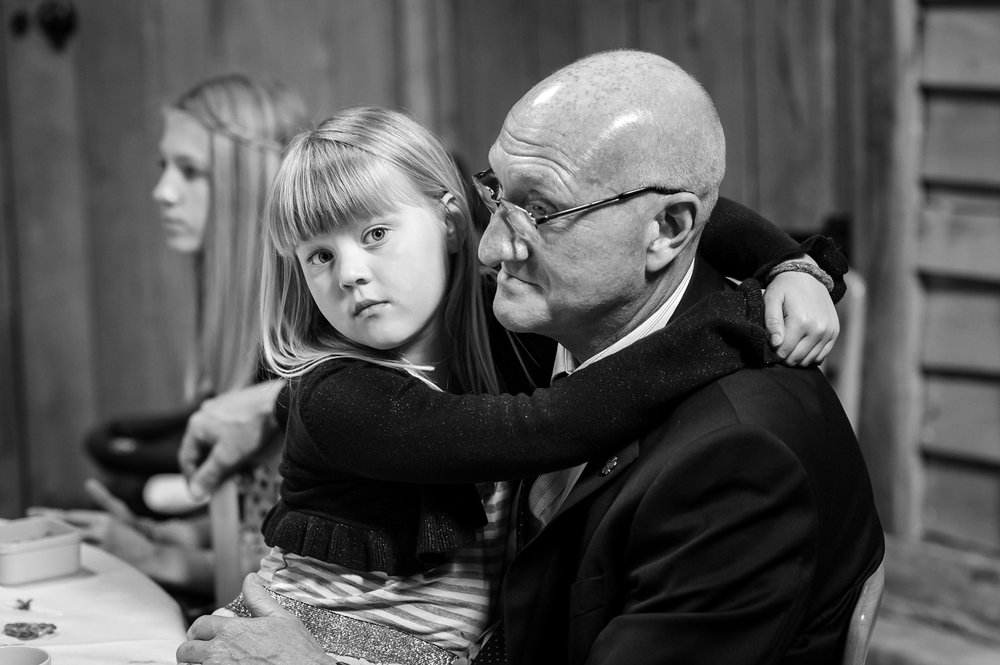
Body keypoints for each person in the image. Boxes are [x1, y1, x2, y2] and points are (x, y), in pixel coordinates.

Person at [176, 98, 854, 664]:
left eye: (375, 233)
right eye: (320, 255)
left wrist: (791, 265)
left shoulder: (504, 325)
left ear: (448, 220)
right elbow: (546, 425)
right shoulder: (337, 396)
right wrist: (731, 322)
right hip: (314, 644)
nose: (350, 272)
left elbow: (663, 202)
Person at [38, 74, 307, 605]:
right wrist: (177, 536)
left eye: (190, 171)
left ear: (246, 183)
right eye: (164, 166)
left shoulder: (299, 342)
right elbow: (256, 516)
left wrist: (159, 559)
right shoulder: (235, 323)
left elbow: (300, 568)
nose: (162, 191)